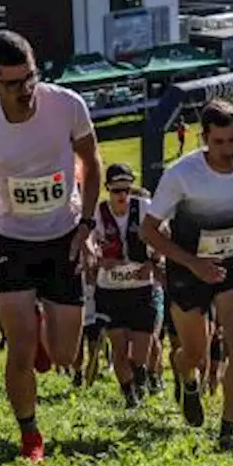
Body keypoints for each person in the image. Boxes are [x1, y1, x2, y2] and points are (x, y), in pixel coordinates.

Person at [0, 31, 101, 462]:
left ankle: (44, 329)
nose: (26, 90)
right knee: (20, 347)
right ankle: (30, 434)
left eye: (30, 78)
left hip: (64, 234)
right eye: (13, 83)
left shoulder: (67, 105)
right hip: (10, 238)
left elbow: (92, 162)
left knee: (66, 356)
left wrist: (86, 224)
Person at [141, 100, 233, 451]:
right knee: (196, 353)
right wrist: (192, 263)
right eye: (219, 142)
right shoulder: (181, 174)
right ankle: (184, 373)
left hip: (232, 265)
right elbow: (150, 231)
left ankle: (227, 432)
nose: (227, 150)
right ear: (204, 138)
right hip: (188, 267)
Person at [92, 163, 159, 409]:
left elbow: (165, 236)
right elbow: (88, 247)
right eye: (116, 191)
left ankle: (140, 377)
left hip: (141, 287)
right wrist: (100, 260)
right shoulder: (98, 213)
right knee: (119, 349)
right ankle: (130, 397)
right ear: (108, 189)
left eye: (126, 190)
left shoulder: (145, 209)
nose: (122, 196)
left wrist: (153, 263)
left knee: (139, 354)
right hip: (110, 290)